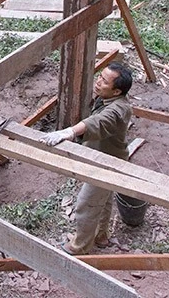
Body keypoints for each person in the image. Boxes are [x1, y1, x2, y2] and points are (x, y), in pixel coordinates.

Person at [40, 62, 133, 255]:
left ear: (116, 92)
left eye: (104, 81)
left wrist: (70, 132)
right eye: (99, 76)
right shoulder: (106, 98)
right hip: (104, 157)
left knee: (86, 204)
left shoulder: (119, 109)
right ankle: (100, 236)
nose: (98, 82)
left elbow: (99, 122)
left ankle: (79, 246)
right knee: (104, 200)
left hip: (108, 164)